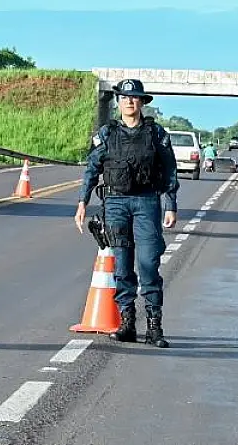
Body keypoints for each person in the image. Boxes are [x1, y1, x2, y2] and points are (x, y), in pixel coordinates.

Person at [75, 79, 179, 348]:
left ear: (142, 102)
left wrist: (171, 204)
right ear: (118, 102)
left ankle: (154, 327)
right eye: (124, 97)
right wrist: (82, 202)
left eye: (135, 98)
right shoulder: (107, 134)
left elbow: (169, 170)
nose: (129, 102)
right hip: (115, 203)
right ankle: (127, 323)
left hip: (146, 202)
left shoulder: (156, 134)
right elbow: (91, 169)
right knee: (122, 266)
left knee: (148, 264)